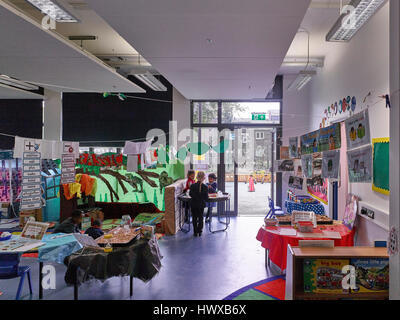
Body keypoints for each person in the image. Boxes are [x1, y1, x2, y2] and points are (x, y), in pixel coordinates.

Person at [189, 171, 209, 237]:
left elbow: (190, 194)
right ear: (204, 178)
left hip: (194, 204)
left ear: (197, 177)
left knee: (194, 218)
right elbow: (206, 198)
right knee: (200, 218)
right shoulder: (205, 187)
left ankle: (195, 232)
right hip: (201, 205)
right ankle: (199, 231)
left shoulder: (192, 185)